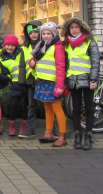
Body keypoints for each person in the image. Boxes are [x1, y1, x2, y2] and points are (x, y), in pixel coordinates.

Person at [61, 17, 99, 150]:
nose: (74, 30)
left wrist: (94, 80)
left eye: (77, 27)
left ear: (81, 28)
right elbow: (65, 64)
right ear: (68, 30)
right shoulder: (66, 43)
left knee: (89, 108)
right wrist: (65, 81)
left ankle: (88, 137)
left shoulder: (89, 41)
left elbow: (95, 62)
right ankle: (78, 136)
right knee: (75, 109)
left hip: (88, 80)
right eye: (72, 28)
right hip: (73, 80)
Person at [32, 22, 67, 147]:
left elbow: (61, 66)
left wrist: (60, 85)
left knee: (57, 109)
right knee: (47, 108)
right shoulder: (41, 47)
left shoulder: (57, 47)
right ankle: (49, 132)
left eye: (48, 33)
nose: (46, 36)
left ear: (54, 34)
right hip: (43, 80)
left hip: (53, 82)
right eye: (44, 34)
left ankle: (62, 135)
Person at [0, 35, 28, 136]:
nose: (10, 47)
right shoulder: (2, 58)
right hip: (15, 83)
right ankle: (11, 126)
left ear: (16, 46)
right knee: (14, 105)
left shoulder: (21, 52)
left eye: (12, 45)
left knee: (27, 104)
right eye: (8, 45)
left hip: (27, 81)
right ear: (4, 45)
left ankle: (24, 126)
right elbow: (5, 73)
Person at [18, 20, 42, 138]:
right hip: (30, 80)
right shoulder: (24, 47)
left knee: (49, 105)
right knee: (31, 106)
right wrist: (21, 81)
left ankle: (52, 130)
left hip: (43, 79)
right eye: (31, 32)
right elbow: (22, 65)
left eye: (36, 32)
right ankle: (30, 130)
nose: (33, 34)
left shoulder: (45, 45)